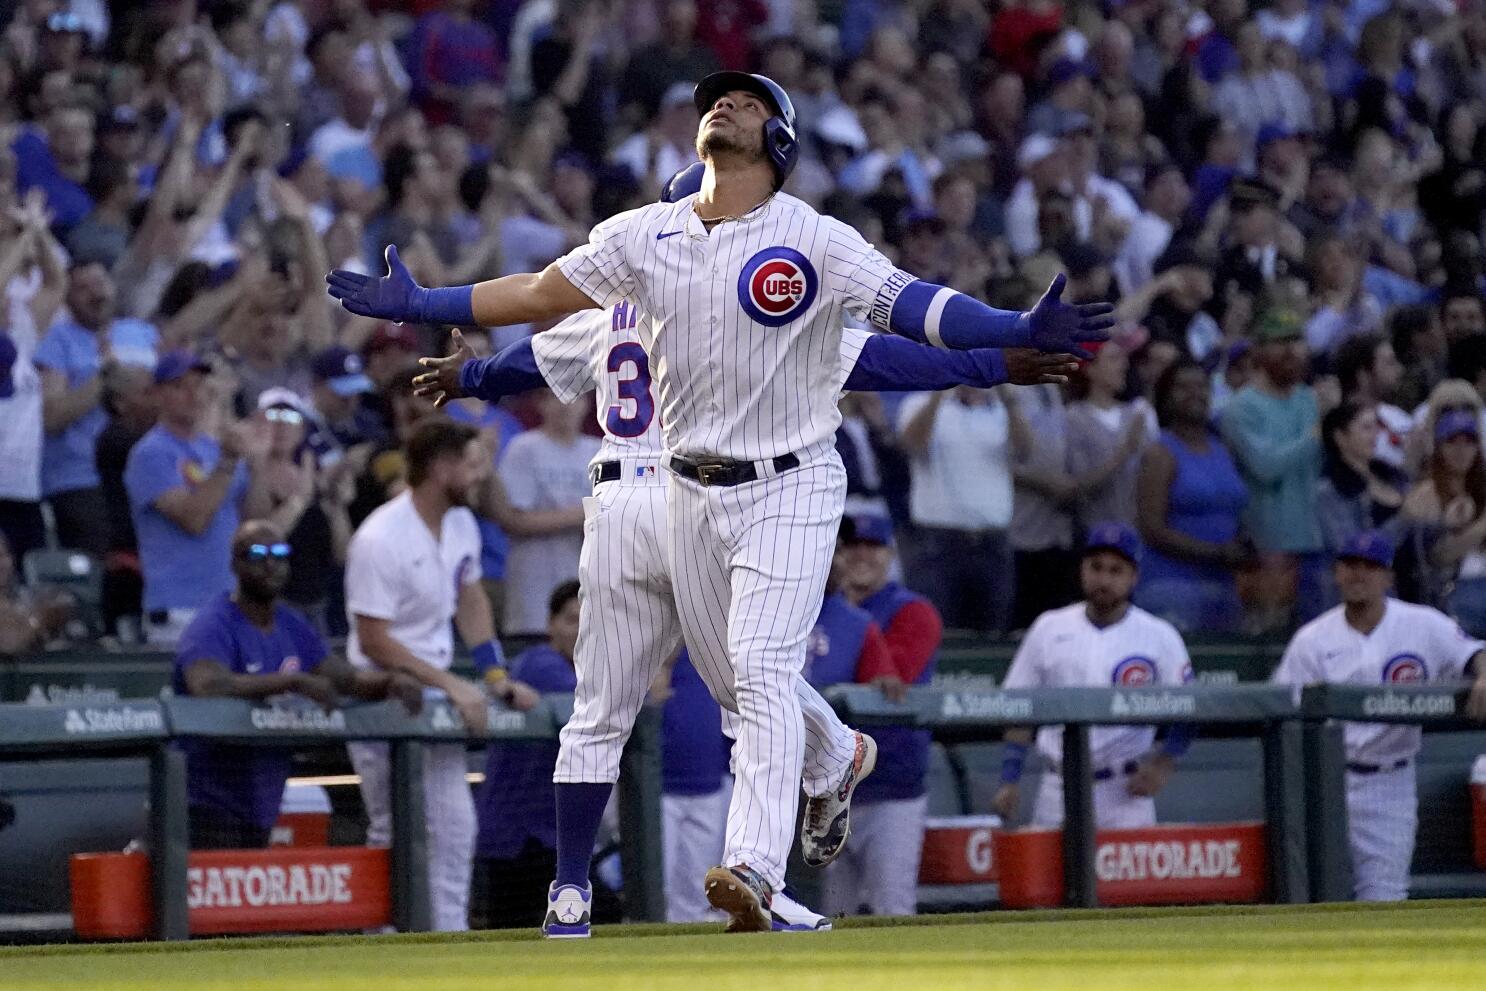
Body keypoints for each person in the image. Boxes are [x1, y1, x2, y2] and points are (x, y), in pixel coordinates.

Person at [328, 70, 1112, 933]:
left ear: (780, 142)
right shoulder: (642, 239)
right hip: (686, 494)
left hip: (791, 480)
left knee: (766, 670)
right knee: (737, 680)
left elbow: (909, 313)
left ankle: (755, 869)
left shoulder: (812, 236)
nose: (724, 102)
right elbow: (543, 295)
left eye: (748, 101)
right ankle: (832, 758)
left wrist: (1006, 332)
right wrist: (426, 304)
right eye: (717, 97)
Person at [412, 229, 1072, 936]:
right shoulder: (613, 317)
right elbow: (533, 359)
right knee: (622, 702)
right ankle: (583, 882)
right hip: (625, 500)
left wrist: (990, 362)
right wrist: (471, 378)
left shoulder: (762, 318)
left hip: (712, 500)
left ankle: (769, 856)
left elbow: (878, 355)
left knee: (747, 680)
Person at [344, 419, 538, 932]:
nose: (479, 476)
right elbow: (373, 640)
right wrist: (451, 683)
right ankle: (382, 948)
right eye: (471, 464)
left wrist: (493, 673)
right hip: (385, 697)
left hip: (437, 698)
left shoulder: (461, 524)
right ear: (440, 467)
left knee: (455, 827)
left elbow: (470, 598)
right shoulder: (379, 537)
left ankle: (449, 942)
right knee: (396, 827)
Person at [174, 521, 422, 849]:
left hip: (259, 800)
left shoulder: (291, 624)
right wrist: (291, 682)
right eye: (257, 554)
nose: (270, 563)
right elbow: (206, 684)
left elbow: (345, 679)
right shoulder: (213, 625)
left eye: (279, 554)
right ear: (234, 564)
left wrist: (391, 681)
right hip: (203, 803)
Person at [1271, 530, 1486, 901]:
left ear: (1388, 576)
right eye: (1351, 565)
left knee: (1385, 896)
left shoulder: (1422, 624)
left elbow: (1471, 652)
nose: (1359, 574)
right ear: (1337, 573)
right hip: (1325, 780)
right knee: (1313, 896)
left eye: (1371, 566)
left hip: (1390, 778)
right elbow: (1280, 710)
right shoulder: (1312, 639)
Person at [995, 523, 1194, 829]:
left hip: (1125, 791)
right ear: (1082, 570)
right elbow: (1019, 707)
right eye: (1096, 567)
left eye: (1116, 571)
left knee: (1130, 879)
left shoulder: (1159, 636)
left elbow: (1191, 706)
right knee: (1053, 878)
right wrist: (1009, 779)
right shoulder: (1049, 627)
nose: (1104, 579)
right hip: (1057, 786)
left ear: (1133, 577)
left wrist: (1164, 763)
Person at [821, 513, 943, 919]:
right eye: (850, 547)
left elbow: (889, 683)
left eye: (872, 547)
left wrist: (844, 618)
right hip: (827, 790)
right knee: (828, 915)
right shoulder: (817, 611)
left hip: (891, 785)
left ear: (890, 554)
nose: (860, 555)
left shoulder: (912, 610)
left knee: (892, 910)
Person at [124, 352, 272, 646]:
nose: (193, 395)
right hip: (180, 606)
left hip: (229, 600)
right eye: (180, 386)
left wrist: (257, 468)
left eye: (200, 385)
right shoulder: (151, 453)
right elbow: (194, 520)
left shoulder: (214, 448)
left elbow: (254, 519)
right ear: (158, 395)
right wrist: (229, 461)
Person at [35, 261, 159, 556]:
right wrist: (104, 377)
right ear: (67, 299)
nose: (96, 293)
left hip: (145, 471)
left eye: (100, 282)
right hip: (82, 479)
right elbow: (51, 418)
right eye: (82, 288)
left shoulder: (142, 333)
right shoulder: (58, 340)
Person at [476, 581, 580, 929]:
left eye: (589, 620)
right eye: (571, 620)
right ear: (551, 624)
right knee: (513, 935)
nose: (580, 630)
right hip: (516, 835)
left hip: (549, 833)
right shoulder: (541, 662)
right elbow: (597, 702)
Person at [1221, 306, 1327, 626]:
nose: (1291, 351)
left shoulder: (1309, 399)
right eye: (1280, 342)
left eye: (1297, 342)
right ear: (1259, 351)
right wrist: (1318, 432)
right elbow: (1266, 466)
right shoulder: (1240, 407)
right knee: (1268, 635)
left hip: (1314, 540)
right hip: (1267, 549)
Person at [1135, 359, 1249, 633]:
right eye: (1183, 387)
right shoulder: (1159, 453)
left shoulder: (1222, 449)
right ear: (1166, 396)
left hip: (1224, 585)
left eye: (1201, 386)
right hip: (1172, 587)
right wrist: (1217, 552)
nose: (1195, 393)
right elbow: (1151, 529)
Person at [492, 390, 599, 637]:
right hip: (533, 587)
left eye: (574, 397)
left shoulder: (598, 451)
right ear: (542, 404)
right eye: (556, 397)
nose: (565, 405)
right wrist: (587, 511)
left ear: (586, 405)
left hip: (584, 584)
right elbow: (513, 520)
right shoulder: (524, 448)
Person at [1400, 411, 1486, 632]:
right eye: (1452, 442)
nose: (1461, 451)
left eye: (1468, 443)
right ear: (1439, 448)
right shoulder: (1424, 495)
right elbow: (1437, 556)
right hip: (1447, 594)